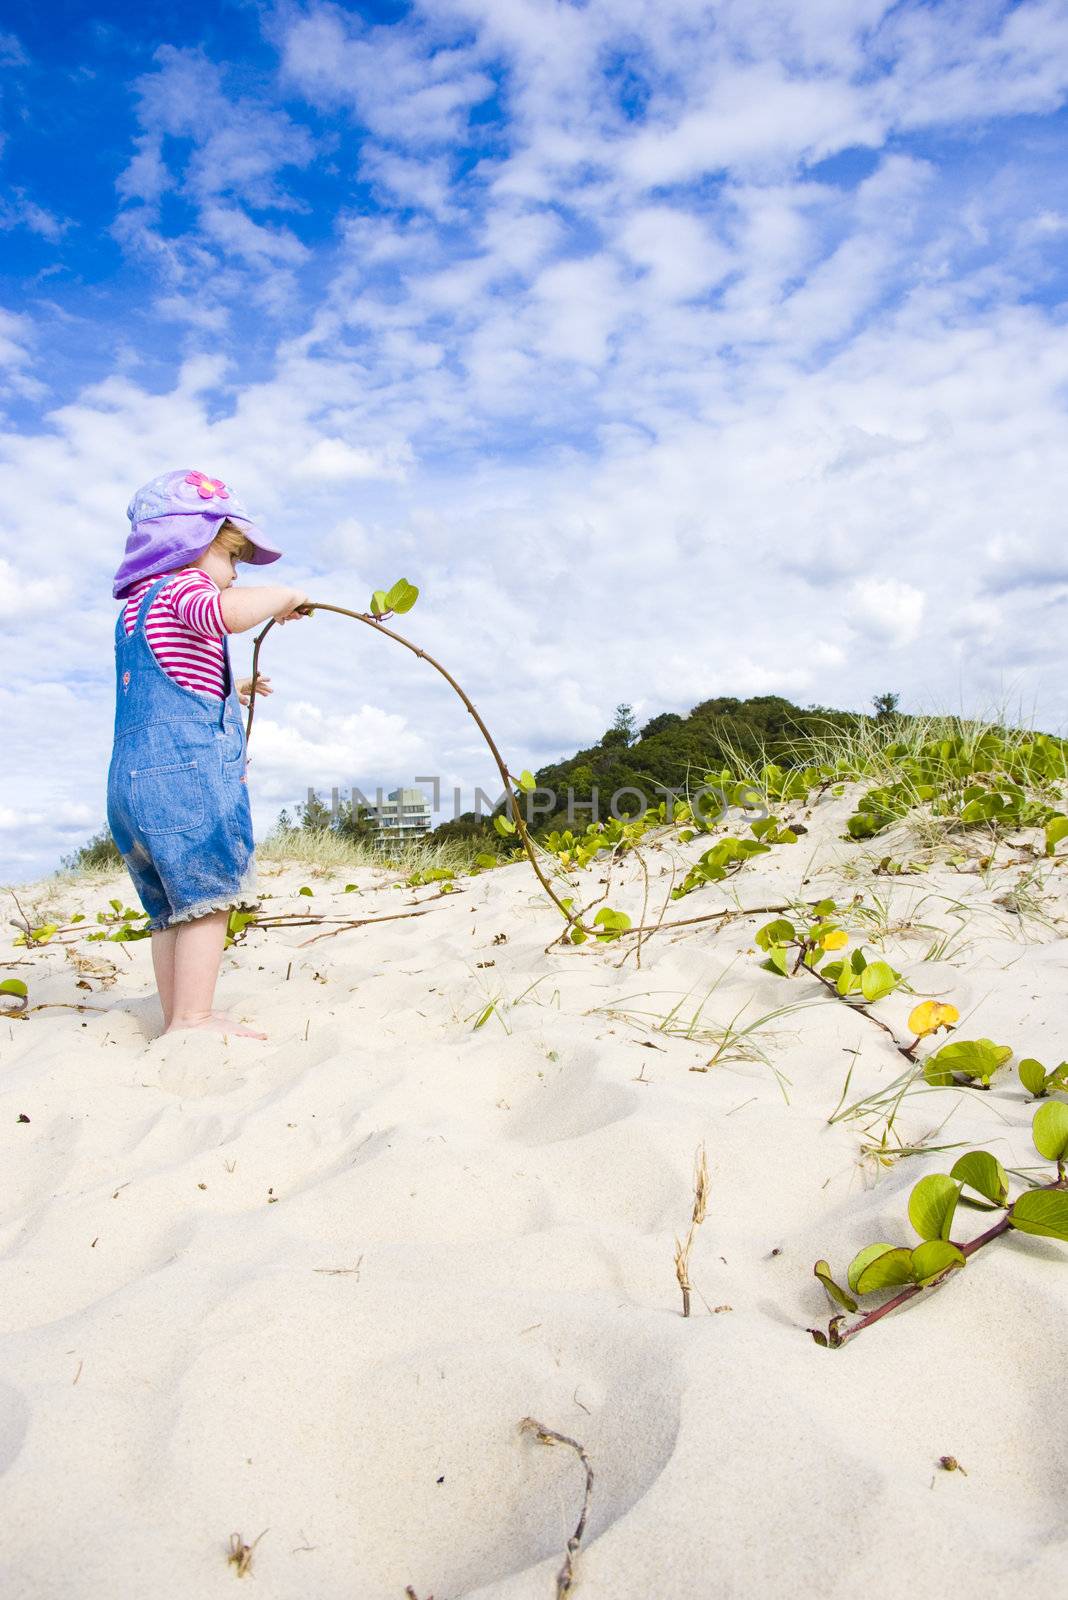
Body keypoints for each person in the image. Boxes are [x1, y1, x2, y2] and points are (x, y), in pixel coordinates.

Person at [107, 468, 310, 1039]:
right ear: (187, 547)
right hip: (184, 777)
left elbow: (164, 676)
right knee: (206, 896)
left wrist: (232, 688)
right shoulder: (184, 586)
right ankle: (194, 1018)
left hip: (131, 784)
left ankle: (178, 1014)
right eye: (231, 557)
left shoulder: (135, 608)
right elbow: (224, 614)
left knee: (170, 909)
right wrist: (284, 597)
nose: (234, 572)